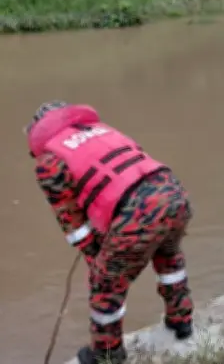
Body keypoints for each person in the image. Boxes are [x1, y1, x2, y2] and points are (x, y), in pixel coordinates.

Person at [26, 101, 194, 364]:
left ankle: (107, 354)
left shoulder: (49, 160)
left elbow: (72, 222)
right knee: (169, 257)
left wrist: (95, 256)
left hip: (137, 211)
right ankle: (181, 321)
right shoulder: (102, 130)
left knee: (105, 284)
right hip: (172, 192)